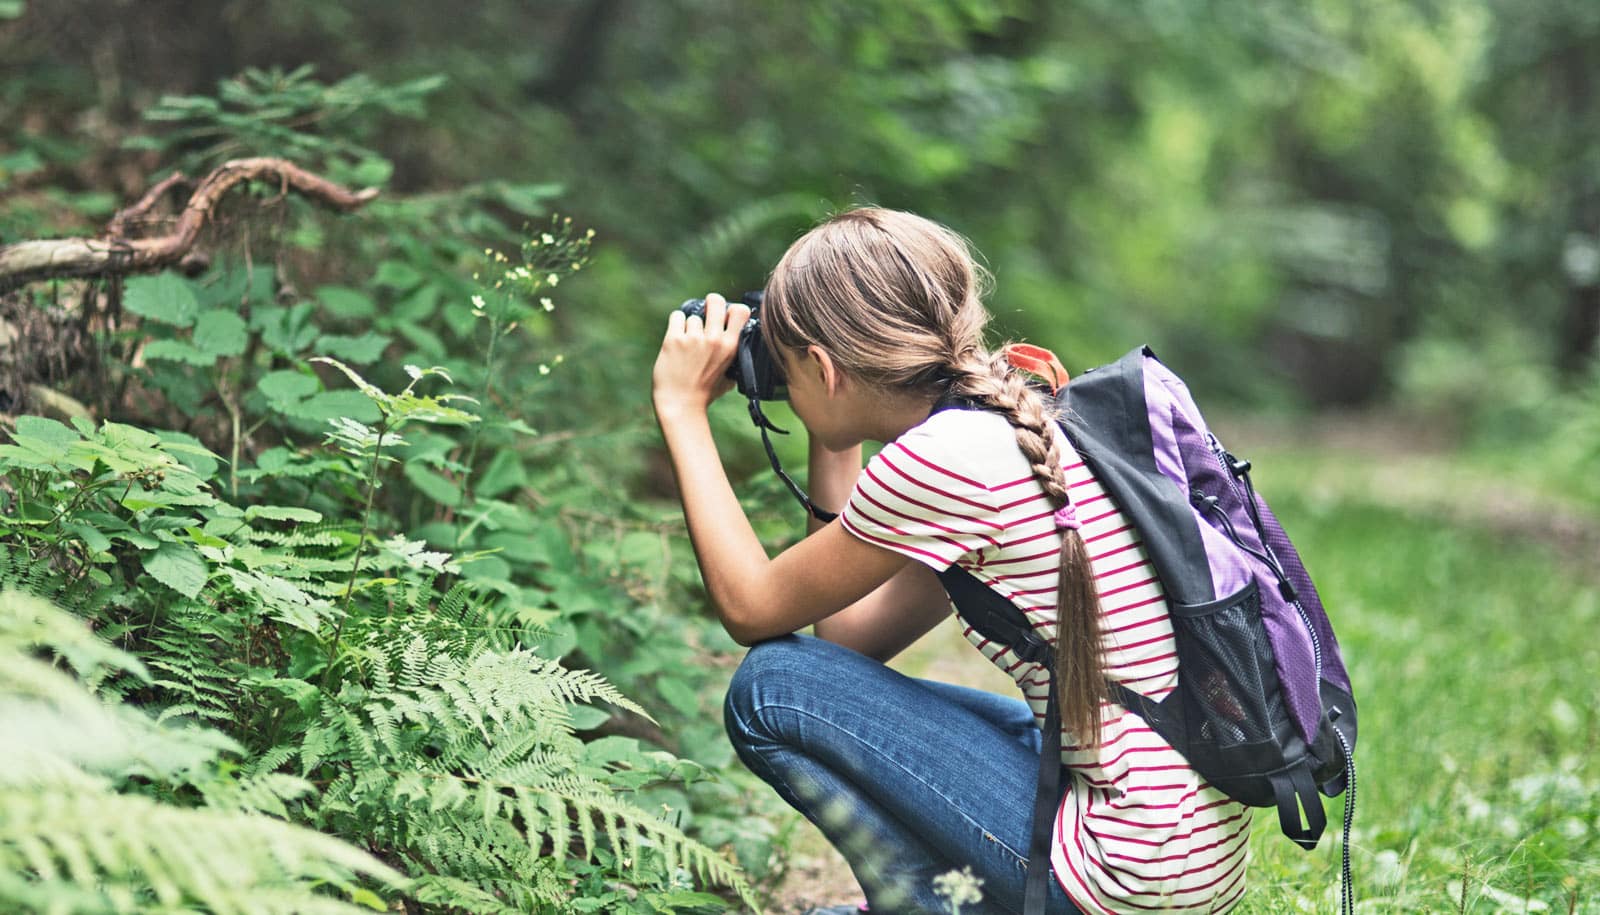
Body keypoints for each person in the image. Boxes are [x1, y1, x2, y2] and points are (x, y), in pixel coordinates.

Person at [651, 207, 1251, 915]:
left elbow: (752, 609)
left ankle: (922, 906)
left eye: (791, 367)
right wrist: (831, 424)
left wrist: (682, 408)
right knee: (953, 715)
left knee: (771, 686)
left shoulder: (943, 464)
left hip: (1127, 875)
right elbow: (853, 637)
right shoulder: (1010, 422)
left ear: (823, 367)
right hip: (1183, 858)